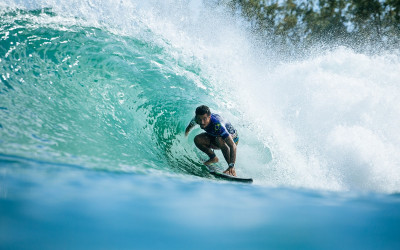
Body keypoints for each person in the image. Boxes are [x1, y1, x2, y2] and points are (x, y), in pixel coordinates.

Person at [185, 105, 239, 177]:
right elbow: (188, 129)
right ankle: (213, 158)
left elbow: (233, 146)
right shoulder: (196, 119)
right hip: (216, 135)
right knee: (197, 139)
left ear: (209, 117)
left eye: (204, 119)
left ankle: (231, 169)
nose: (202, 122)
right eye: (199, 119)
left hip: (233, 139)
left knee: (219, 139)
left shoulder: (218, 125)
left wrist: (232, 165)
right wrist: (183, 140)